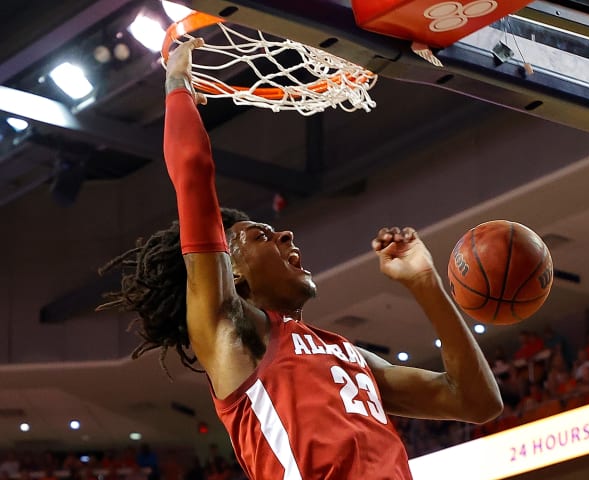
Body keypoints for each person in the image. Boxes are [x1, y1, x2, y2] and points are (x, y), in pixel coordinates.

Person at [99, 38, 502, 480]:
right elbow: (194, 173)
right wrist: (177, 82)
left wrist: (426, 284)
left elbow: (476, 401)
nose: (286, 233)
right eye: (262, 235)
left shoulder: (344, 354)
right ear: (230, 269)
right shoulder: (230, 330)